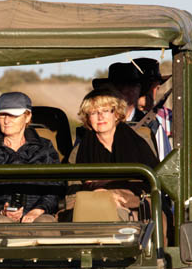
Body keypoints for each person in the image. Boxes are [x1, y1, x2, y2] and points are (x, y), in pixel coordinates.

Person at [68, 87, 159, 218]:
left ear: (116, 114)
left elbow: (152, 183)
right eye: (94, 113)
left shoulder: (139, 143)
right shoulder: (78, 151)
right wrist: (100, 195)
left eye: (106, 111)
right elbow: (73, 191)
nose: (100, 117)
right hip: (92, 202)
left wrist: (117, 194)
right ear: (87, 118)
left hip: (135, 199)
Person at [0, 92, 61, 223]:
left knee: (45, 226)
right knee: (2, 224)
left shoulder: (45, 147)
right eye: (2, 115)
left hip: (39, 214)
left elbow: (56, 185)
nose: (6, 120)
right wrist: (1, 210)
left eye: (13, 115)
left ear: (27, 117)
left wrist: (38, 210)